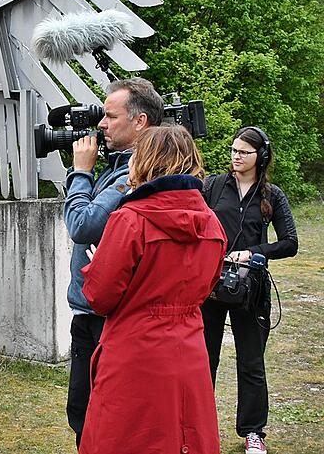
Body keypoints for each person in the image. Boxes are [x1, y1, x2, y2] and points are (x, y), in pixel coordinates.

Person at [79, 125, 227, 454]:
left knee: (128, 438)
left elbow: (99, 298)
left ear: (144, 162)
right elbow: (205, 286)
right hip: (189, 350)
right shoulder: (212, 223)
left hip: (135, 352)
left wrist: (97, 263)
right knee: (183, 435)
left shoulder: (130, 220)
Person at [63, 76, 163, 446]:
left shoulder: (134, 171)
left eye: (110, 116)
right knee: (83, 410)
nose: (101, 124)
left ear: (140, 122)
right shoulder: (119, 166)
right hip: (92, 309)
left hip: (107, 314)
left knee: (95, 413)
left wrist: (82, 172)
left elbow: (83, 224)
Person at [202, 126, 298, 454]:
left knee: (251, 362)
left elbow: (290, 242)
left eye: (244, 152)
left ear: (262, 156)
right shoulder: (213, 186)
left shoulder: (272, 195)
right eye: (233, 150)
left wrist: (255, 252)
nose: (236, 156)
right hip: (210, 286)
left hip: (251, 289)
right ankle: (198, 427)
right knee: (203, 359)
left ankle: (253, 432)